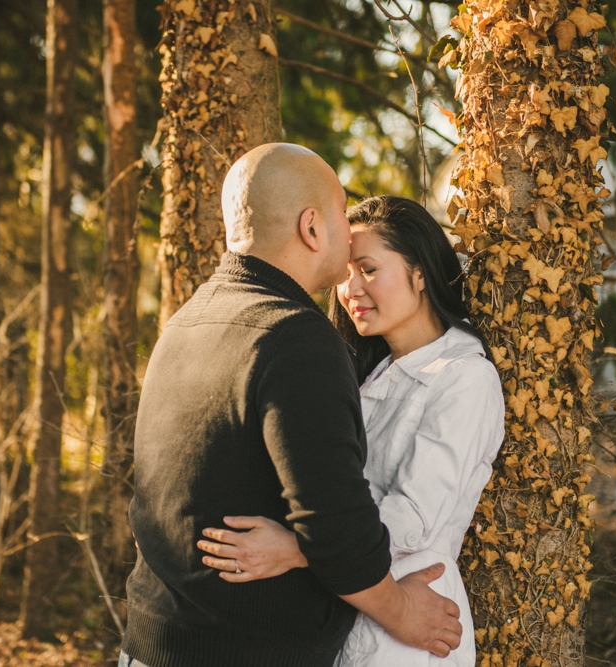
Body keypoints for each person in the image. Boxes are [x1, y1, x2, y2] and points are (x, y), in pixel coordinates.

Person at [119, 147, 463, 667]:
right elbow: (337, 528)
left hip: (152, 644)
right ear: (311, 227)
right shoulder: (295, 337)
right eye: (342, 212)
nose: (350, 233)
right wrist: (406, 614)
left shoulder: (187, 322)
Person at [197, 195, 506, 666]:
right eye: (344, 274)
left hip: (414, 630)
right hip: (350, 611)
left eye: (368, 269)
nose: (350, 289)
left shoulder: (465, 378)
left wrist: (294, 549)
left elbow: (412, 521)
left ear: (419, 272)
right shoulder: (371, 374)